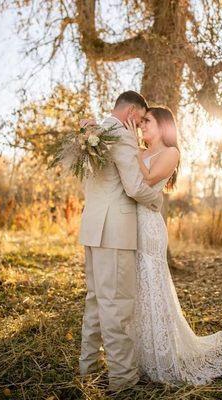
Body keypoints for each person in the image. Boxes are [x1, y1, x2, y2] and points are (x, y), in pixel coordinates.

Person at [124, 106, 222, 385]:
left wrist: (132, 150)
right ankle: (141, 355)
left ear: (163, 125)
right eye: (140, 124)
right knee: (138, 286)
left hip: (151, 227)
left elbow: (148, 180)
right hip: (131, 224)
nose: (142, 128)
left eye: (147, 122)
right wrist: (133, 150)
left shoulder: (171, 153)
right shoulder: (139, 151)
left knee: (153, 283)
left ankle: (162, 355)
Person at [78, 91, 163, 392]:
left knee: (95, 301)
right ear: (130, 112)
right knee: (117, 305)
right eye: (139, 119)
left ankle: (86, 367)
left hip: (92, 227)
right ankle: (123, 378)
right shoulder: (121, 136)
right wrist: (158, 200)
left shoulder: (93, 132)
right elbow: (135, 186)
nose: (139, 127)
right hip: (115, 232)